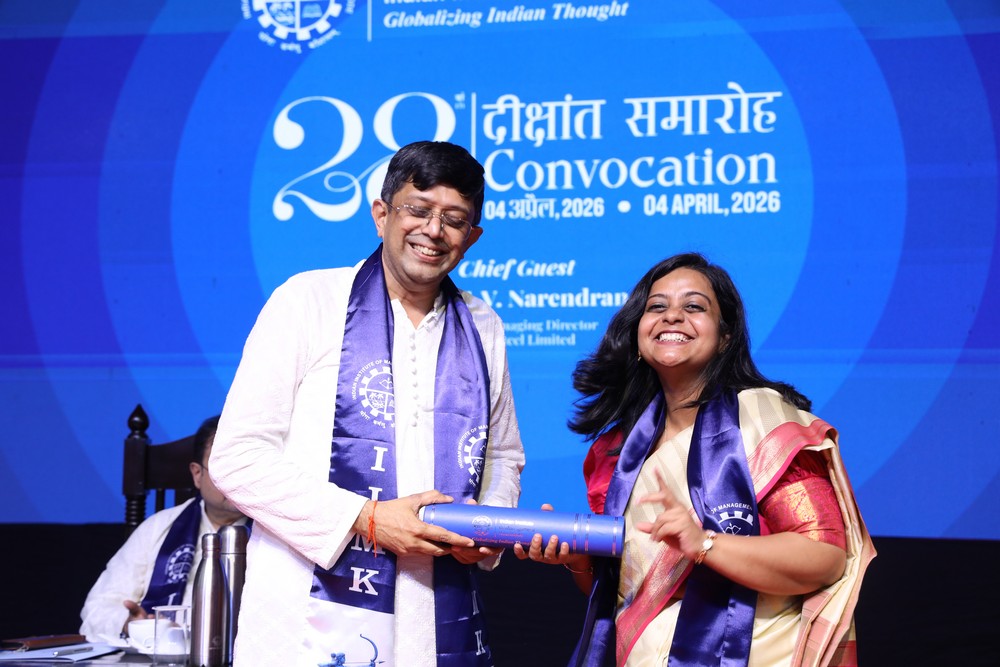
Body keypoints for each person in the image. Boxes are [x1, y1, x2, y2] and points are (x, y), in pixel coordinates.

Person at [209, 140, 525, 667]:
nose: (433, 231)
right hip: (303, 620)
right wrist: (367, 518)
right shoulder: (307, 300)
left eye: (454, 220)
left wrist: (487, 528)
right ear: (381, 215)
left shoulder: (482, 325)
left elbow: (503, 457)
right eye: (418, 210)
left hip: (433, 616)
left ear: (471, 237)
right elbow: (236, 459)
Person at [515, 253, 874, 666]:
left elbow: (825, 558)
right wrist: (579, 563)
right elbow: (633, 592)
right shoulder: (614, 453)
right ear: (637, 335)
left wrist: (704, 544)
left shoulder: (764, 423)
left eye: (694, 306)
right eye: (657, 307)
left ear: (724, 338)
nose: (672, 316)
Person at [80, 415, 247, 642]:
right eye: (224, 468)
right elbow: (97, 609)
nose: (237, 479)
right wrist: (130, 624)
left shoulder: (281, 534)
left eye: (246, 468)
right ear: (197, 474)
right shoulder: (158, 529)